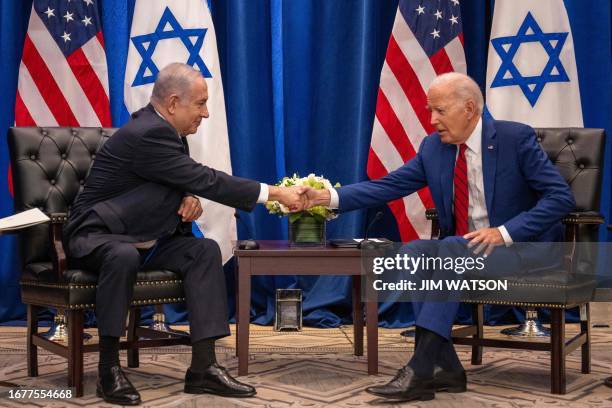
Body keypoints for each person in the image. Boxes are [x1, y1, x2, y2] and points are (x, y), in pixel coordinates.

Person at [302, 72, 575, 402]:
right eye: (430, 111)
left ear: (469, 108)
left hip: (521, 249)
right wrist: (324, 197)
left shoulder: (514, 138)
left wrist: (503, 233)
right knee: (416, 250)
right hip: (460, 253)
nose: (432, 121)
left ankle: (419, 369)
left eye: (440, 111)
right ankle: (447, 369)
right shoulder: (435, 148)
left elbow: (560, 198)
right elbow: (386, 186)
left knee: (445, 249)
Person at [65, 63, 305, 405]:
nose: (206, 113)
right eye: (201, 103)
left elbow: (172, 179)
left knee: (204, 251)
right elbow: (204, 178)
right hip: (99, 236)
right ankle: (108, 369)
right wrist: (276, 194)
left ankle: (204, 368)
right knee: (122, 255)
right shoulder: (150, 132)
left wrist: (187, 196)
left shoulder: (169, 132)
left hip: (146, 236)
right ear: (174, 102)